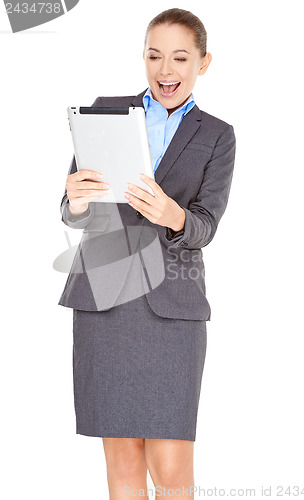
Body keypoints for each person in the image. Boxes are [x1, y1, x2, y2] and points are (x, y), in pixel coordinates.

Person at [58, 8, 236, 500]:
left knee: (172, 467)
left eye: (180, 57)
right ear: (143, 57)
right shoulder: (104, 111)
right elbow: (73, 212)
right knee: (122, 460)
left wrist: (172, 214)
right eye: (154, 55)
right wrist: (74, 199)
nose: (165, 70)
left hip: (173, 306)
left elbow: (205, 225)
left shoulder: (216, 134)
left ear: (203, 63)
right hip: (107, 300)